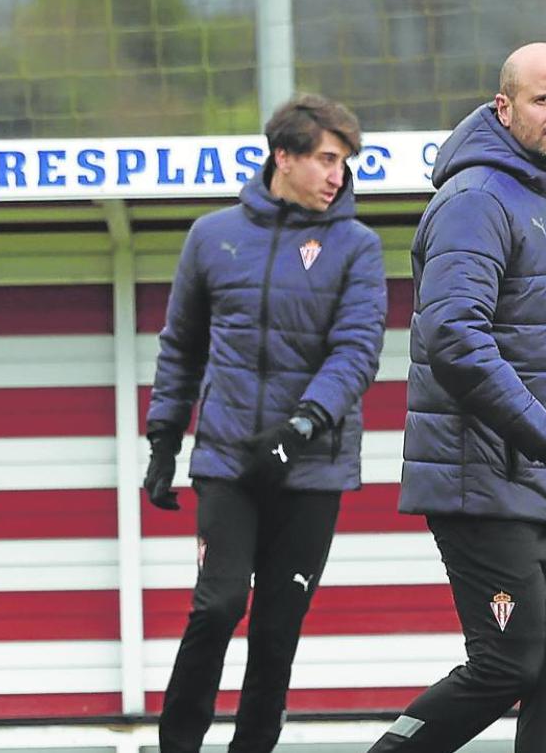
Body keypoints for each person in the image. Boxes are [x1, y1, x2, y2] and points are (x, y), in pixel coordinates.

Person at [368, 42, 546, 753]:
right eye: (542, 99)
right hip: (486, 481)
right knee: (507, 664)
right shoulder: (475, 199)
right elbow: (455, 341)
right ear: (504, 108)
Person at [142, 93, 388, 753]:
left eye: (345, 162)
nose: (339, 176)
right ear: (285, 156)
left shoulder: (358, 247)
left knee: (278, 629)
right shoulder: (212, 235)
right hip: (227, 462)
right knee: (217, 606)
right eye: (327, 160)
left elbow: (358, 349)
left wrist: (300, 428)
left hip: (311, 468)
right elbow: (182, 343)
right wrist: (164, 442)